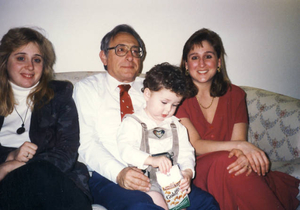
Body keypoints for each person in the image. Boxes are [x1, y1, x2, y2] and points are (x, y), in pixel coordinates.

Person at [73, 24, 219, 209]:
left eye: (136, 51)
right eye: (121, 50)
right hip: (109, 176)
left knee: (206, 204)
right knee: (142, 207)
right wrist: (119, 173)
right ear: (103, 56)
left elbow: (177, 136)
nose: (130, 56)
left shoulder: (155, 87)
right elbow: (87, 143)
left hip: (160, 175)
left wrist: (185, 172)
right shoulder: (88, 88)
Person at [176, 28, 300, 210]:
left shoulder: (235, 94)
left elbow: (238, 141)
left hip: (229, 162)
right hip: (195, 169)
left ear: (218, 62)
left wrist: (241, 152)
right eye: (194, 57)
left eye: (208, 56)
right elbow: (194, 144)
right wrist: (240, 147)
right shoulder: (177, 97)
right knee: (230, 163)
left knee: (237, 165)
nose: (201, 63)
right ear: (186, 64)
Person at [0, 27, 92, 210]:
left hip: (58, 186)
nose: (30, 66)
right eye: (21, 58)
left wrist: (13, 167)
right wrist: (8, 159)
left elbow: (67, 152)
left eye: (37, 60)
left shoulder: (59, 94)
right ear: (4, 61)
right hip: (7, 189)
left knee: (38, 172)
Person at [117, 62, 212, 209]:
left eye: (175, 105)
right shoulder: (133, 122)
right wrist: (151, 160)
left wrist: (187, 172)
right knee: (161, 206)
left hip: (172, 182)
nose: (168, 110)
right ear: (148, 94)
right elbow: (126, 150)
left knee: (200, 203)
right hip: (147, 183)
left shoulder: (176, 126)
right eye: (164, 102)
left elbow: (187, 152)